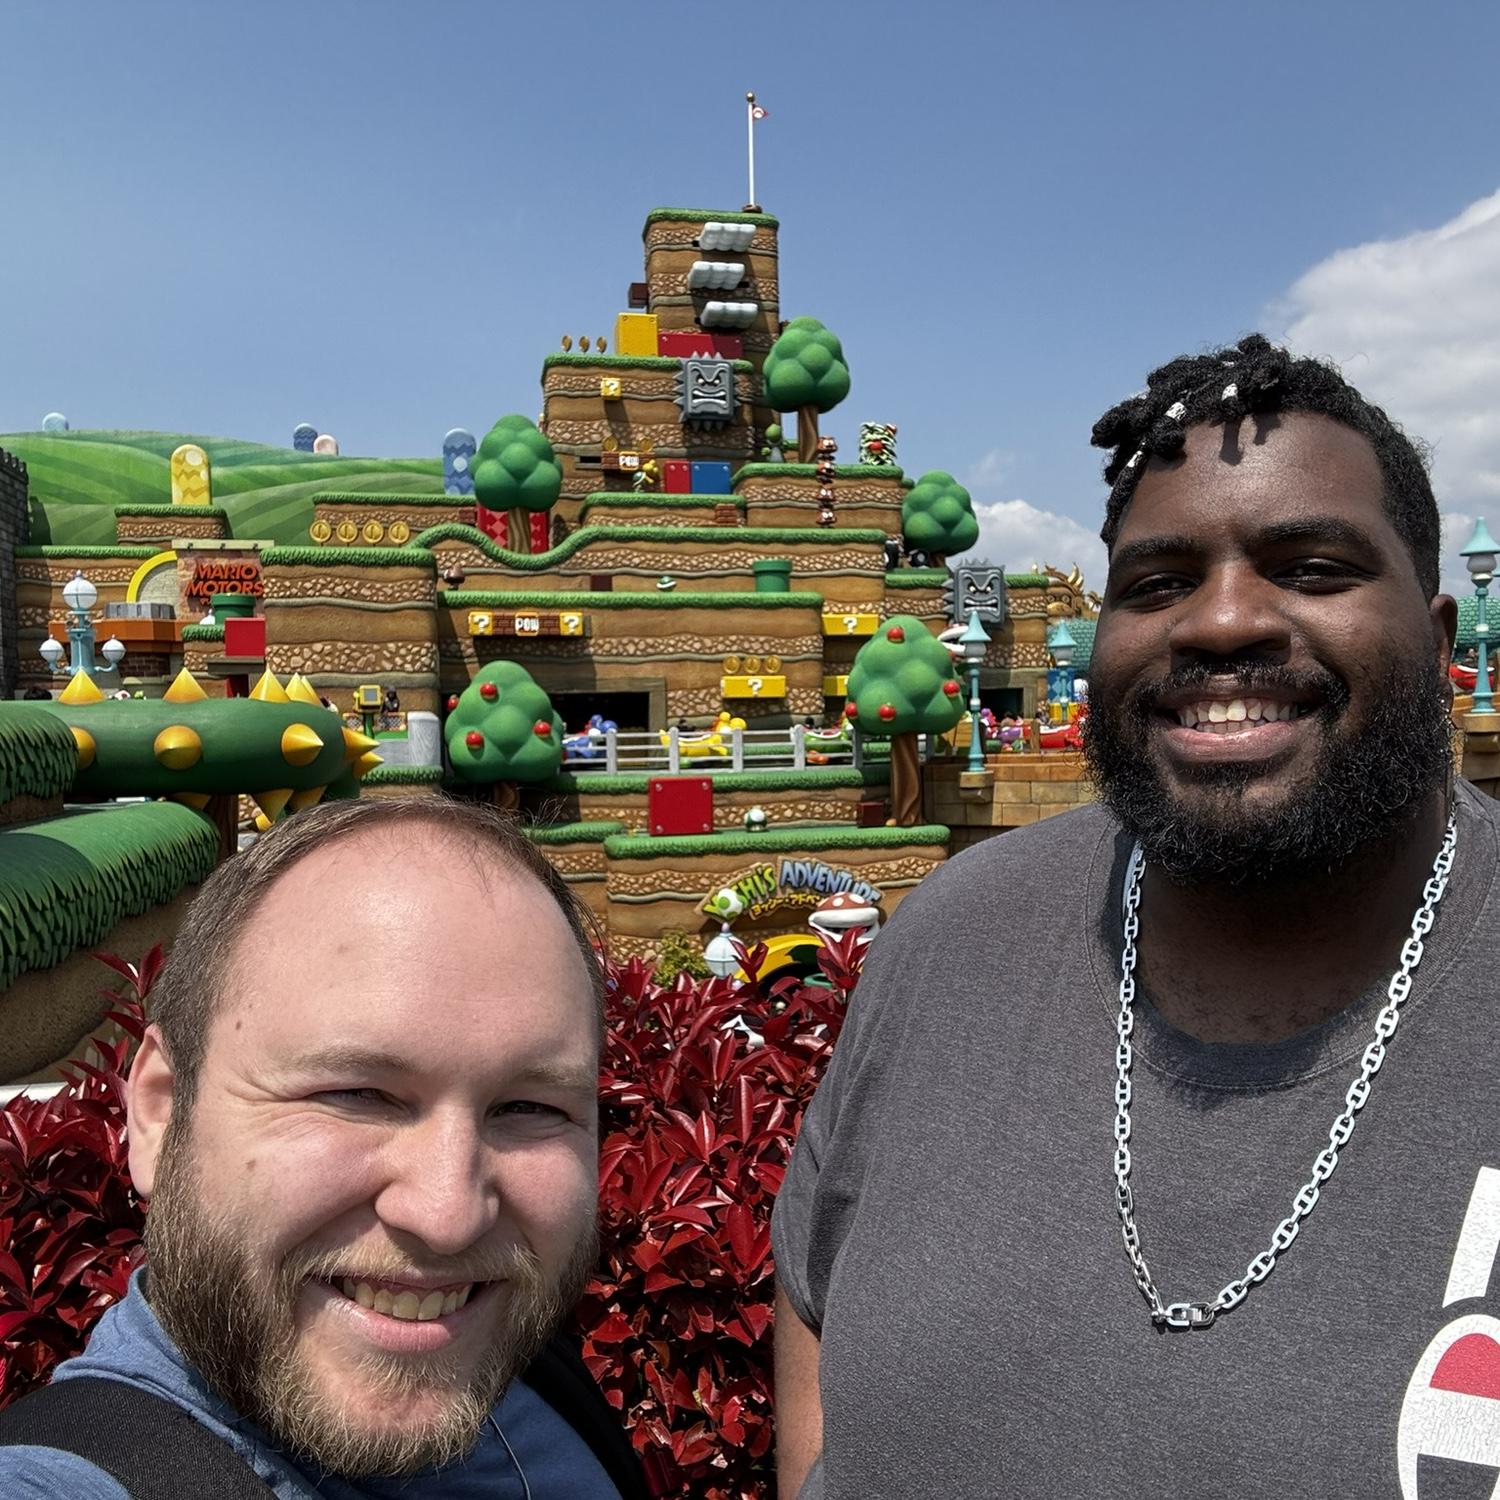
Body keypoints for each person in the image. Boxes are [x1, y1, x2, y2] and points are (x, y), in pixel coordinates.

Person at [772, 333, 1500, 1498]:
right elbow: (815, 1300)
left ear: (1442, 635)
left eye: (1313, 567)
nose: (1221, 623)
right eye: (1157, 584)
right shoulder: (951, 940)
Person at [0, 798, 646, 1500]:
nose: (448, 1217)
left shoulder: (536, 1380)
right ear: (159, 1112)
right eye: (355, 1095)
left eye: (530, 1108)